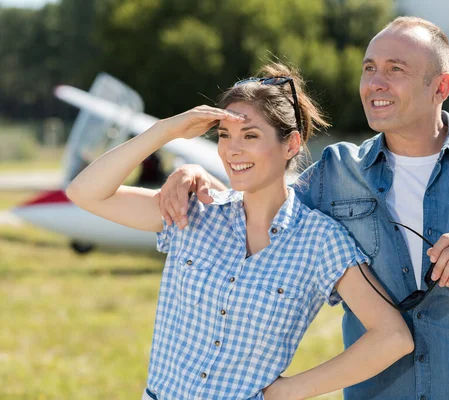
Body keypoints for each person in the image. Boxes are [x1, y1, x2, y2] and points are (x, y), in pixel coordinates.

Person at [159, 17, 449, 400]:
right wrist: (197, 176)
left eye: (395, 70)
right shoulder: (336, 172)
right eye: (369, 68)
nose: (374, 82)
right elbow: (260, 202)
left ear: (441, 87)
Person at [66, 63, 414, 400]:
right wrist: (166, 131)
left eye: (250, 135)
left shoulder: (320, 241)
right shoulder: (194, 210)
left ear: (291, 145)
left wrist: (291, 390)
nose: (233, 149)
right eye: (224, 135)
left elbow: (393, 337)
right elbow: (84, 192)